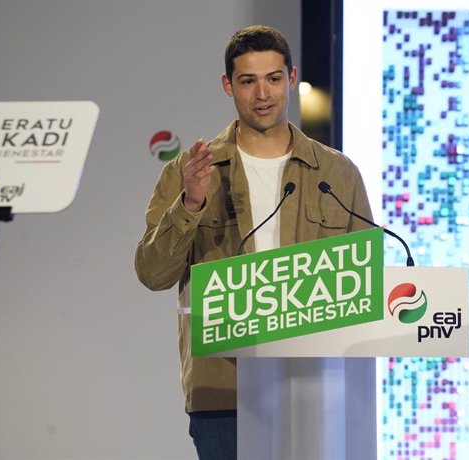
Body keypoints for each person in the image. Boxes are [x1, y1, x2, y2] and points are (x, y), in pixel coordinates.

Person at [134, 25, 373, 459]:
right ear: (228, 85)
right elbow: (152, 273)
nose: (262, 93)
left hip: (313, 385)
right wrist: (189, 203)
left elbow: (364, 282)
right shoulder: (190, 171)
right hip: (225, 391)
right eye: (248, 81)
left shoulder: (337, 174)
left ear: (292, 78)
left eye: (273, 78)